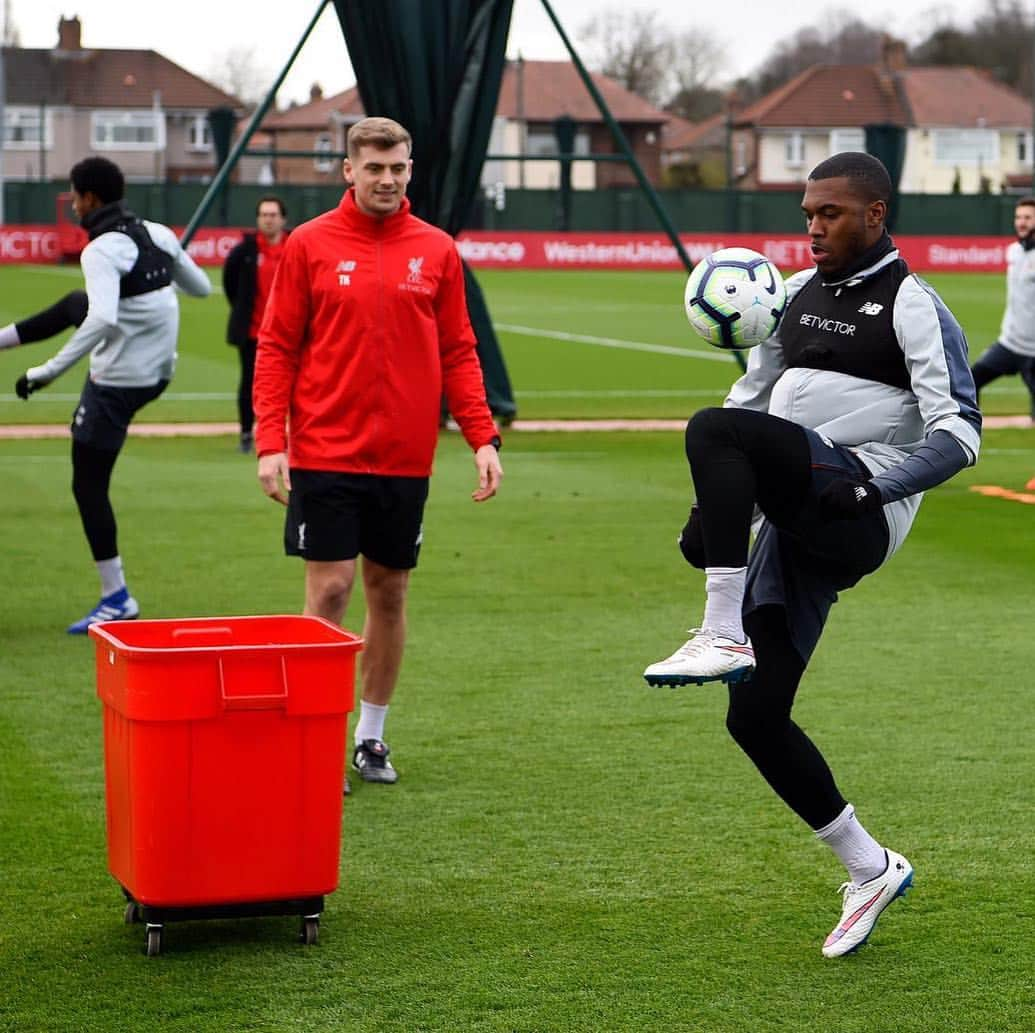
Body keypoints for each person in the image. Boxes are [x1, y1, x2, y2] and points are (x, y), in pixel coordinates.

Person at [643, 153, 981, 958]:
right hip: (797, 518)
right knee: (753, 716)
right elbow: (750, 405)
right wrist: (709, 512)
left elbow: (961, 433)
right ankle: (869, 866)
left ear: (874, 213)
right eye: (806, 213)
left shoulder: (912, 304)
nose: (813, 228)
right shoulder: (790, 297)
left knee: (707, 428)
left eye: (830, 213)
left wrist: (873, 489)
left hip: (858, 505)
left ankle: (718, 627)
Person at [253, 116, 503, 791]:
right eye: (374, 168)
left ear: (410, 169)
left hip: (403, 459)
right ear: (348, 170)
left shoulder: (437, 250)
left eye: (397, 168)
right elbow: (275, 346)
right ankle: (311, 736)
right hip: (324, 452)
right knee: (329, 590)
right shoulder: (308, 245)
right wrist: (269, 441)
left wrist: (481, 436)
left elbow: (458, 349)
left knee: (387, 594)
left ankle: (370, 736)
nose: (387, 179)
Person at [10, 156, 212, 633]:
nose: (74, 204)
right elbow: (200, 288)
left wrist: (46, 372)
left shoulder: (101, 250)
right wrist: (160, 280)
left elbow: (103, 320)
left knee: (87, 485)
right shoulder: (158, 234)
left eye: (75, 196)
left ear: (90, 199)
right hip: (158, 374)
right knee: (76, 304)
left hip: (117, 384)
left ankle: (116, 597)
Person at [222, 195, 289, 453]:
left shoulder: (294, 246)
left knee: (296, 385)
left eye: (273, 215)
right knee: (250, 383)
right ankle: (247, 433)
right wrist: (242, 311)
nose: (268, 220)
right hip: (253, 332)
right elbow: (230, 283)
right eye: (264, 215)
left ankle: (293, 434)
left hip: (288, 332)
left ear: (283, 219)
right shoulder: (245, 251)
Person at [970, 196, 1035, 419]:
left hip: (1034, 351)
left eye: (1027, 218)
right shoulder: (1013, 252)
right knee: (971, 380)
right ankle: (970, 429)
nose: (1021, 222)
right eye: (1018, 217)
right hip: (1008, 344)